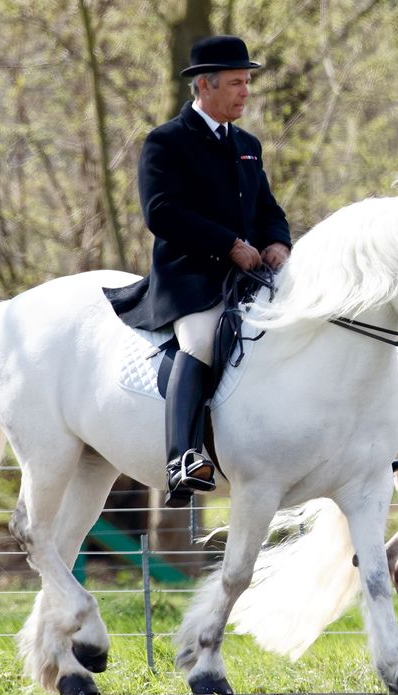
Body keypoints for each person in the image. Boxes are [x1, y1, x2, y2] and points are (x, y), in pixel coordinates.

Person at [104, 35, 292, 508]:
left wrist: (276, 242)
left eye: (247, 82)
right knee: (201, 341)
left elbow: (269, 209)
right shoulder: (166, 142)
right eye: (235, 83)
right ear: (204, 86)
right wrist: (228, 244)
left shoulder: (247, 144)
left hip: (250, 279)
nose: (245, 91)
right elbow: (161, 212)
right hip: (191, 279)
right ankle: (182, 457)